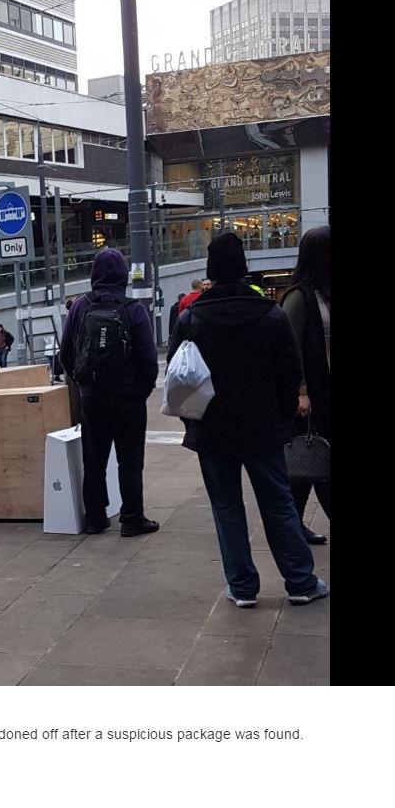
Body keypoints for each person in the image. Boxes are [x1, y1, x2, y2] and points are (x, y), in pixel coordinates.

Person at [167, 232, 327, 608]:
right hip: (264, 430)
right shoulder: (270, 314)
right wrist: (282, 417)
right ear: (243, 271)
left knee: (227, 507)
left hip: (212, 430)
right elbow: (292, 371)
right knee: (278, 504)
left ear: (211, 272)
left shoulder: (191, 317)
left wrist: (193, 425)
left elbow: (177, 376)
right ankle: (300, 582)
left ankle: (242, 587)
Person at [59, 248, 160, 537]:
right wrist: (142, 389)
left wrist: (82, 382)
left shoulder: (79, 306)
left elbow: (66, 352)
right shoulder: (133, 309)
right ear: (124, 275)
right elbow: (148, 358)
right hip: (128, 398)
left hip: (92, 396)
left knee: (94, 458)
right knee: (129, 460)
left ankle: (95, 517)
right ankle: (132, 518)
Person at [280, 225, 330, 546]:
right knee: (317, 460)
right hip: (312, 396)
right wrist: (300, 391)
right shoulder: (298, 297)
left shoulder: (326, 292)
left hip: (327, 390)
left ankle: (292, 527)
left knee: (307, 466)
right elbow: (289, 348)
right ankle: (290, 528)